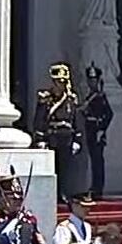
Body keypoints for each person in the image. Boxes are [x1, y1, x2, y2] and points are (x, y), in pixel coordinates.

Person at [33, 62, 88, 203]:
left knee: (66, 169)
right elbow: (39, 120)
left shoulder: (71, 100)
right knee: (53, 167)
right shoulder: (46, 100)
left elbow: (76, 120)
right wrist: (40, 139)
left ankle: (63, 193)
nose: (60, 85)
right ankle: (55, 194)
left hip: (66, 138)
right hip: (52, 137)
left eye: (63, 82)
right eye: (57, 82)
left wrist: (77, 139)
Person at [84, 64, 115, 198]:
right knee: (93, 160)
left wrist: (102, 129)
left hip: (97, 132)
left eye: (94, 80)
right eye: (90, 80)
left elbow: (109, 114)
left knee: (98, 161)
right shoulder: (89, 96)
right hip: (90, 131)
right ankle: (94, 186)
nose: (92, 82)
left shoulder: (100, 96)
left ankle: (98, 188)